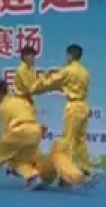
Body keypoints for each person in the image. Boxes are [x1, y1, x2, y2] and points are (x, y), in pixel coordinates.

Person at [30, 44, 93, 182]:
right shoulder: (85, 71)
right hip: (84, 105)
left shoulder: (68, 70)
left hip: (74, 106)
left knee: (67, 141)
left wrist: (37, 85)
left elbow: (52, 82)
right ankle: (86, 169)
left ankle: (68, 175)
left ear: (70, 55)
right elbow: (64, 85)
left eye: (67, 55)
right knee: (80, 139)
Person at [0, 80, 45, 191]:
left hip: (19, 130)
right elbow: (32, 111)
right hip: (35, 130)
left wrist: (3, 144)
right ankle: (33, 177)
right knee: (19, 160)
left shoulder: (3, 107)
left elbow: (5, 131)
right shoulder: (20, 101)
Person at [7, 46, 39, 177]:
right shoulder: (22, 69)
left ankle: (16, 164)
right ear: (25, 57)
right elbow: (32, 87)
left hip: (27, 103)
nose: (33, 59)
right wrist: (48, 84)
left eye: (34, 56)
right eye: (31, 56)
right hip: (21, 105)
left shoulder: (30, 70)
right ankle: (13, 165)